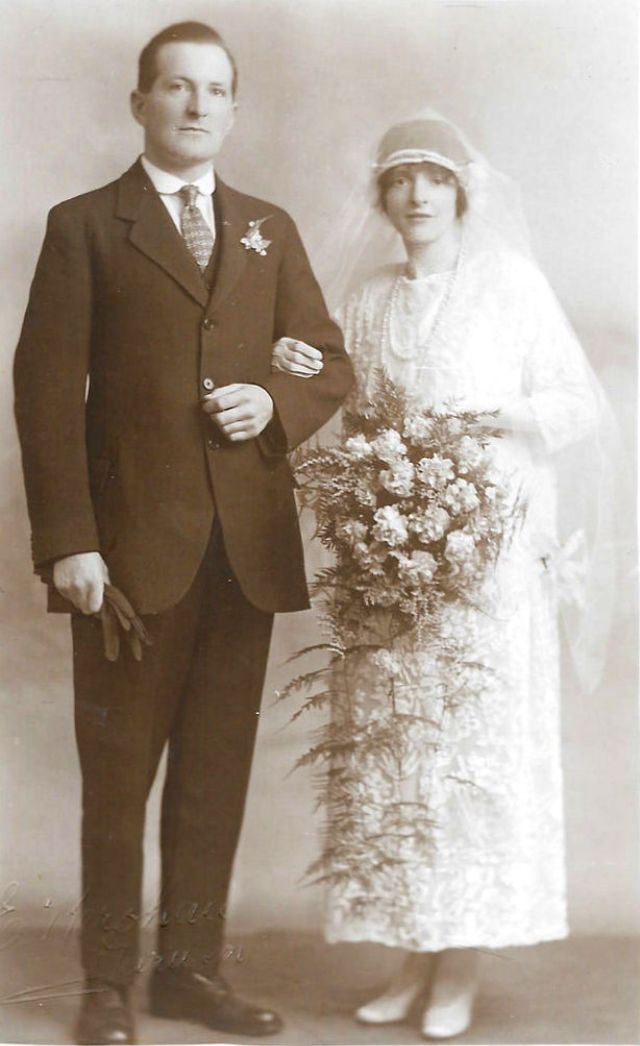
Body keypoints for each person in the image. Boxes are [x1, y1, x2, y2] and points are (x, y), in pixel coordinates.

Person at [14, 20, 352, 1045]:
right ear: (140, 104)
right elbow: (41, 391)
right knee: (120, 780)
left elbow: (328, 364)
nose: (197, 106)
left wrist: (274, 403)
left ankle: (187, 971)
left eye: (215, 90)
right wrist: (69, 539)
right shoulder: (84, 226)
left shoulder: (267, 227)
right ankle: (107, 981)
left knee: (212, 777)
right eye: (176, 87)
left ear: (235, 109)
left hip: (241, 556)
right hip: (125, 559)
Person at [272, 113, 613, 1039]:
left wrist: (486, 418)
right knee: (401, 762)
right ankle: (411, 956)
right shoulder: (372, 299)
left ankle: (456, 969)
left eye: (434, 179)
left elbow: (578, 403)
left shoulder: (512, 285)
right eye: (399, 181)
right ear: (381, 197)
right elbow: (346, 419)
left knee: (466, 763)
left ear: (464, 191)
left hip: (491, 573)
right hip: (398, 566)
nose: (417, 196)